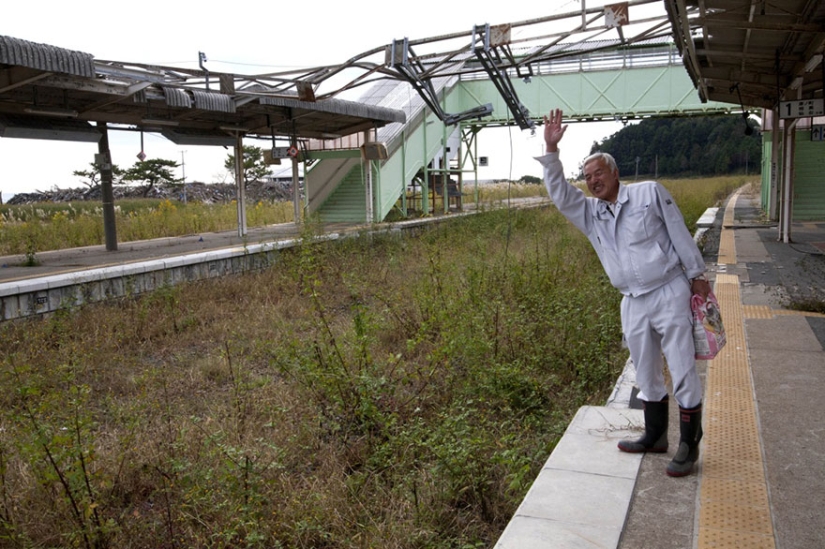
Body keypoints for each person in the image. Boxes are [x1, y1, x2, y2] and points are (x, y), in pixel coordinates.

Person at [536, 109, 711, 477]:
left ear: (615, 172)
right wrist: (551, 150)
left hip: (667, 290)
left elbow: (678, 230)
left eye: (598, 173)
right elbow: (559, 193)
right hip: (632, 301)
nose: (593, 181)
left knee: (680, 366)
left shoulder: (649, 193)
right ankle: (655, 435)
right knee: (644, 370)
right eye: (586, 177)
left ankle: (688, 445)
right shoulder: (590, 213)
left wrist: (696, 275)